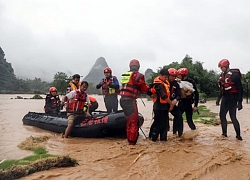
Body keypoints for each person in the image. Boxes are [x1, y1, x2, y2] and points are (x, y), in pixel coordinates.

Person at [120, 59, 149, 145]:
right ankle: (132, 143)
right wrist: (149, 87)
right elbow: (144, 89)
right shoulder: (138, 75)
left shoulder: (125, 75)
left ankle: (129, 140)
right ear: (138, 67)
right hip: (130, 101)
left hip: (122, 100)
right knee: (134, 122)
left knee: (129, 121)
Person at [218, 59, 243, 140]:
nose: (221, 69)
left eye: (222, 67)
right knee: (222, 115)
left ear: (226, 66)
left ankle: (238, 136)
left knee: (233, 117)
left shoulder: (234, 76)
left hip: (233, 98)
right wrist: (219, 99)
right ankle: (224, 134)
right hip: (225, 97)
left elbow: (240, 89)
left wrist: (240, 102)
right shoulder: (223, 76)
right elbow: (222, 89)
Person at [149, 69, 172, 142]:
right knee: (158, 125)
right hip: (158, 107)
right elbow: (163, 96)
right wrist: (171, 103)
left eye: (167, 77)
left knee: (164, 125)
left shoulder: (165, 82)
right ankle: (153, 140)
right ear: (160, 75)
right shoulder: (158, 84)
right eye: (165, 77)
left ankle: (163, 141)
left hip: (164, 107)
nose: (166, 78)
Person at [168, 68, 183, 137]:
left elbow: (178, 95)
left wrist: (176, 100)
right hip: (163, 104)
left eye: (174, 76)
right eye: (171, 76)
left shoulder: (176, 84)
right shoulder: (163, 82)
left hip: (172, 104)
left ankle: (179, 134)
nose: (173, 78)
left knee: (179, 115)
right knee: (161, 120)